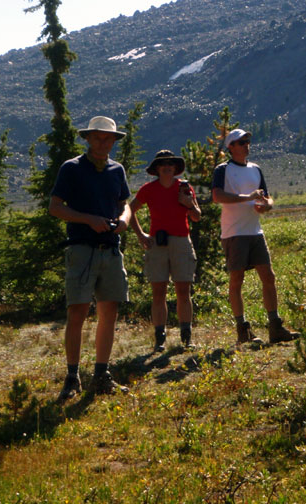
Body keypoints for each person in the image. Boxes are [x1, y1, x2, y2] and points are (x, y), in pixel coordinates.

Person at [49, 115, 132, 401]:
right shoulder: (71, 168)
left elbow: (125, 205)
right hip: (81, 248)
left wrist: (123, 220)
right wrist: (88, 220)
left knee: (109, 313)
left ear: (113, 141)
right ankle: (72, 377)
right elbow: (55, 207)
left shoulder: (116, 170)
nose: (103, 142)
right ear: (87, 139)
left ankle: (101, 373)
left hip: (110, 248)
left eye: (108, 138)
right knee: (77, 313)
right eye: (97, 137)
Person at [211, 128, 299, 345]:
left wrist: (266, 206)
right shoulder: (223, 170)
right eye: (241, 142)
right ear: (231, 147)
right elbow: (217, 196)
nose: (246, 145)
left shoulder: (256, 169)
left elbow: (267, 197)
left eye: (247, 141)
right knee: (236, 280)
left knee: (268, 276)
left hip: (254, 230)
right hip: (234, 232)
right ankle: (242, 330)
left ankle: (275, 326)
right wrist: (247, 198)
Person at [130, 150, 202, 352]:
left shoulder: (184, 188)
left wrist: (189, 204)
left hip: (181, 242)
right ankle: (159, 338)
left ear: (175, 167)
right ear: (157, 169)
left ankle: (186, 337)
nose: (167, 166)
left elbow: (197, 216)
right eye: (163, 164)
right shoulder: (148, 189)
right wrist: (141, 235)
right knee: (158, 292)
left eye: (170, 163)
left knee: (183, 291)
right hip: (157, 244)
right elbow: (130, 210)